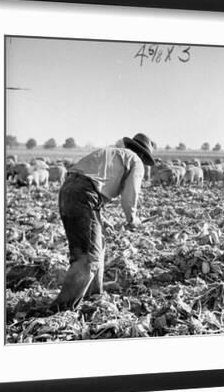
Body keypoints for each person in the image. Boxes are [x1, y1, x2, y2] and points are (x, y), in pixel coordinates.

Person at [49, 133, 155, 311]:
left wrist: (100, 219)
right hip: (84, 195)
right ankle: (61, 309)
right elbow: (130, 195)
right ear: (144, 155)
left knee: (99, 244)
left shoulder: (113, 153)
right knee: (87, 258)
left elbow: (87, 182)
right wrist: (132, 219)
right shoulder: (135, 161)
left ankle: (94, 295)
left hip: (69, 190)